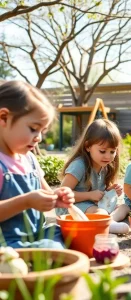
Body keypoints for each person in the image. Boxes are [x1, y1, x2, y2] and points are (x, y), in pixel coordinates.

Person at [0, 81, 75, 249]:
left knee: (67, 232)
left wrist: (57, 197)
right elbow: (29, 200)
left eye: (42, 131)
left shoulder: (30, 160)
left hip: (35, 235)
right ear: (4, 118)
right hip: (7, 242)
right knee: (52, 249)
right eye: (33, 129)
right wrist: (26, 202)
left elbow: (46, 192)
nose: (39, 137)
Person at [55, 119, 130, 234]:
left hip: (93, 206)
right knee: (99, 212)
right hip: (71, 208)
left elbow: (98, 191)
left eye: (112, 151)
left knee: (125, 207)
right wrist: (89, 195)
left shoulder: (104, 166)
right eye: (103, 151)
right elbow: (61, 195)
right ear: (88, 146)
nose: (108, 156)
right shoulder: (79, 165)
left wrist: (110, 191)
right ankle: (105, 222)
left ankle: (106, 221)